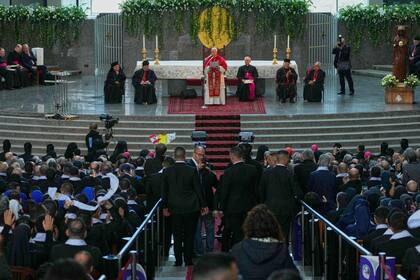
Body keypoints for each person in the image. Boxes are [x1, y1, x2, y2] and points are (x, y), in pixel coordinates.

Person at [161, 147, 208, 266]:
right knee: (189, 234)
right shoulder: (192, 170)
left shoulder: (167, 171)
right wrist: (204, 205)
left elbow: (164, 192)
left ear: (174, 155)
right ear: (185, 155)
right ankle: (188, 260)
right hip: (191, 208)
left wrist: (165, 207)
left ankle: (178, 260)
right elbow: (198, 189)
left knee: (176, 235)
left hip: (174, 208)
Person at [231, 205, 297, 280]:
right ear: (273, 226)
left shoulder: (237, 249)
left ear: (248, 226)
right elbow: (294, 275)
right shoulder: (281, 250)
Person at [217, 146, 258, 251]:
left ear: (232, 156)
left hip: (232, 208)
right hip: (249, 207)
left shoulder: (229, 172)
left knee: (236, 232)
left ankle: (237, 253)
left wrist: (221, 208)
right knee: (247, 231)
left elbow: (224, 192)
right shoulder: (252, 170)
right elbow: (256, 189)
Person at [187, 146, 218, 256]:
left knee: (209, 229)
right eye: (200, 154)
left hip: (208, 205)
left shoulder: (209, 173)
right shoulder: (188, 168)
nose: (201, 157)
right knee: (197, 230)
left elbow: (217, 187)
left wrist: (215, 207)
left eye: (203, 155)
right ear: (194, 154)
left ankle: (209, 251)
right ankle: (199, 252)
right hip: (195, 206)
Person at [259, 151, 296, 243]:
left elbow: (261, 191)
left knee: (270, 233)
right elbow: (297, 192)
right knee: (284, 234)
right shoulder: (289, 174)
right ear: (286, 159)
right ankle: (282, 254)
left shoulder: (267, 173)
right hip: (285, 209)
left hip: (270, 207)